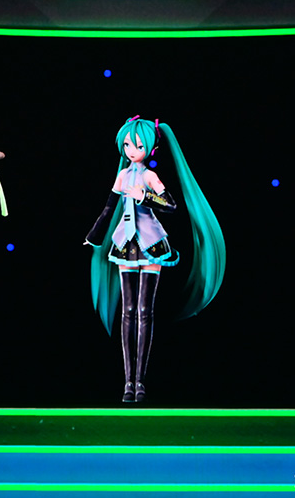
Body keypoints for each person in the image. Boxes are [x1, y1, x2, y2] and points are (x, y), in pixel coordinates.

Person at [85, 116, 225, 402]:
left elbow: (171, 204)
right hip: (125, 242)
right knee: (128, 310)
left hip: (150, 242)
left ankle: (140, 381)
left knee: (144, 310)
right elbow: (109, 208)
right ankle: (128, 381)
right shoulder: (122, 176)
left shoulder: (150, 176)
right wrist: (94, 236)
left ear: (151, 148)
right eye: (127, 145)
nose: (131, 150)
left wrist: (144, 196)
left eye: (138, 146)